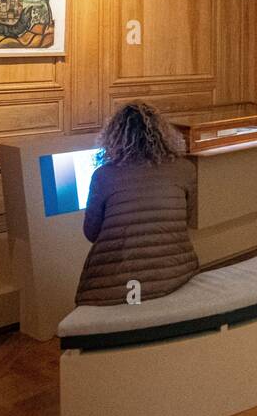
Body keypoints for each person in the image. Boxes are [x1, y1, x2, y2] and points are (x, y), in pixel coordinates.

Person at [76, 102, 199, 306]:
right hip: (176, 276)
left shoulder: (103, 176)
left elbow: (91, 232)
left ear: (114, 137)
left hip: (115, 285)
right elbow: (186, 219)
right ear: (164, 134)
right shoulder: (184, 169)